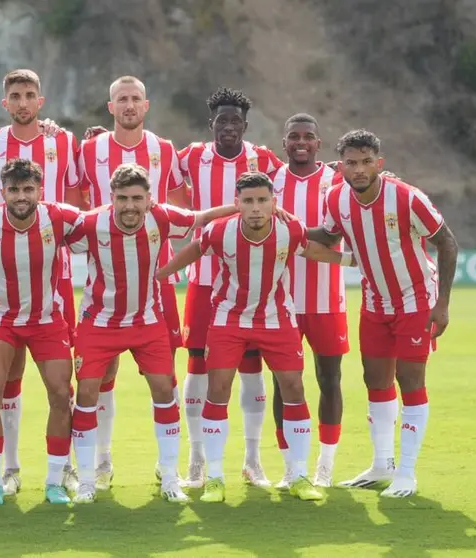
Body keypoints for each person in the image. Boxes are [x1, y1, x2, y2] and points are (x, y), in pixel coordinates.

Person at [157, 172, 353, 503]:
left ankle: (298, 474)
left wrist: (350, 260)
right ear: (237, 205)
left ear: (273, 203)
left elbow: (312, 250)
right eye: (248, 201)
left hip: (276, 318)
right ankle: (216, 479)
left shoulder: (289, 230)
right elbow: (194, 249)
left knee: (294, 388)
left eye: (262, 200)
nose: (256, 208)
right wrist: (160, 275)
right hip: (229, 318)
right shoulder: (221, 231)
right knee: (218, 390)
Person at [66, 163, 238, 504]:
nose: (130, 205)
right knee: (86, 393)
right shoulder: (88, 224)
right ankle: (87, 479)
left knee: (164, 391)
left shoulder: (163, 218)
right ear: (111, 198)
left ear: (150, 199)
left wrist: (243, 206)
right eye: (123, 198)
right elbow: (50, 237)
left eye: (137, 198)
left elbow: (201, 217)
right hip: (99, 323)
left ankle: (169, 475)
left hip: (147, 322)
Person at [311, 129, 459, 498]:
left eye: (365, 162)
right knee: (375, 381)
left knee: (410, 381)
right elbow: (328, 238)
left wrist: (442, 304)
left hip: (416, 301)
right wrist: (282, 225)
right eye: (351, 162)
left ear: (380, 163)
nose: (358, 170)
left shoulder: (407, 197)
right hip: (375, 303)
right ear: (340, 166)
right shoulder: (335, 199)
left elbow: (447, 242)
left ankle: (407, 473)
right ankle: (382, 465)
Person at [0, 69, 82, 495]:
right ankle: (7, 471)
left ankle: (64, 468)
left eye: (29, 95)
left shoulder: (64, 141)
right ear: (5, 102)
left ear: (41, 100)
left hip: (57, 280)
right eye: (15, 95)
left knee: (62, 388)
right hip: (3, 292)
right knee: (1, 386)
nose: (22, 102)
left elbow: (82, 201)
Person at [76, 75, 186, 490]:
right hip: (101, 284)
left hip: (152, 289)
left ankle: (172, 470)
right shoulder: (87, 149)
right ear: (110, 106)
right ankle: (99, 464)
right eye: (121, 99)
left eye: (135, 99)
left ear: (146, 105)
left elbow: (183, 209)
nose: (128, 105)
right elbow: (71, 198)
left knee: (165, 381)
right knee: (97, 381)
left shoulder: (165, 149)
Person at [176, 87, 285, 488]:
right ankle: (197, 459)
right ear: (212, 124)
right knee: (198, 367)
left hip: (252, 283)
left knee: (251, 369)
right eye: (221, 120)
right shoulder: (189, 158)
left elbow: (308, 178)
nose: (228, 127)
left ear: (245, 125)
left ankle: (253, 460)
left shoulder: (265, 161)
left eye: (235, 121)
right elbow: (144, 168)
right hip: (204, 280)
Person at [269, 113, 348, 488]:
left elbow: (333, 237)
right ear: (283, 143)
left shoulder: (337, 180)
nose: (301, 142)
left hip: (327, 300)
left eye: (309, 137)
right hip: (279, 302)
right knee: (283, 384)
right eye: (294, 137)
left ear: (319, 143)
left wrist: (292, 230)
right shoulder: (270, 182)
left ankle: (326, 463)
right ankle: (291, 466)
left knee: (329, 380)